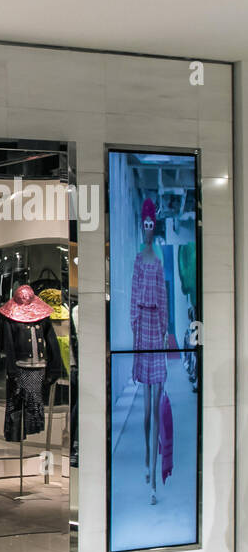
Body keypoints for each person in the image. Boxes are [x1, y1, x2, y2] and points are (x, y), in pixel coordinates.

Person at [130, 198, 167, 505]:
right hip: (143, 327)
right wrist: (134, 330)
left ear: (154, 227)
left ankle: (153, 477)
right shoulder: (139, 261)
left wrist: (166, 331)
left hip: (155, 327)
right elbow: (132, 296)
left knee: (154, 409)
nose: (147, 230)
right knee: (145, 411)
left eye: (151, 225)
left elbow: (165, 298)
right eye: (144, 225)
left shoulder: (157, 261)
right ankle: (146, 457)